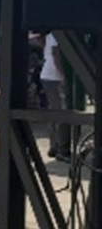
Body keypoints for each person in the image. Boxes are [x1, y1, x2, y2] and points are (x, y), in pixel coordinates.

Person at [41, 32, 70, 161]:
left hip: (47, 76)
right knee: (62, 113)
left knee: (53, 111)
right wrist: (63, 76)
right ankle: (62, 150)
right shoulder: (58, 34)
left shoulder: (50, 34)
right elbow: (55, 54)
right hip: (55, 77)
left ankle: (54, 146)